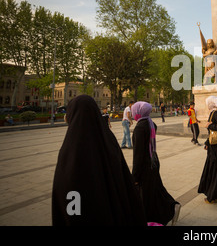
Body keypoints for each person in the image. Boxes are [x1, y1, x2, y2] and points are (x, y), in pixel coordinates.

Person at [52, 95, 146, 226]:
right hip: (112, 211)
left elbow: (68, 188)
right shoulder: (108, 139)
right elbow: (123, 178)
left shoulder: (72, 146)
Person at [131, 101, 180, 226]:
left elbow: (138, 155)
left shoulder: (139, 128)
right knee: (156, 189)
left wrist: (135, 176)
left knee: (147, 195)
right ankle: (172, 206)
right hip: (154, 161)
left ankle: (158, 215)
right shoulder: (150, 123)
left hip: (146, 165)